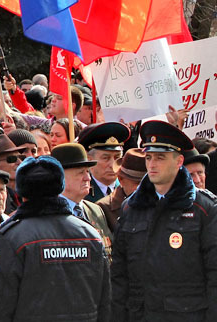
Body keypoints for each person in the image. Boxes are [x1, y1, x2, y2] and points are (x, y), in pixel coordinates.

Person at [0, 156, 110, 322]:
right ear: (60, 186)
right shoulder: (90, 234)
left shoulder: (13, 237)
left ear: (22, 192)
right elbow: (105, 302)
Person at [111, 120, 217, 321]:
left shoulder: (204, 209)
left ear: (179, 161)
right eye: (149, 157)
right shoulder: (131, 208)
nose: (152, 164)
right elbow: (119, 277)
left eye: (160, 157)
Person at [50, 143, 113, 259]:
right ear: (60, 177)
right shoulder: (48, 213)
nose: (88, 178)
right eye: (80, 172)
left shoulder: (95, 210)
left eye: (87, 171)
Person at [77, 122, 131, 203]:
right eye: (106, 158)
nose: (112, 165)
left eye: (117, 157)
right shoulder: (80, 193)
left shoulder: (129, 189)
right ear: (89, 159)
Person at [96, 148, 146, 231]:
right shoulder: (103, 209)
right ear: (120, 179)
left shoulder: (159, 203)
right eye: (137, 183)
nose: (142, 188)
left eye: (146, 183)